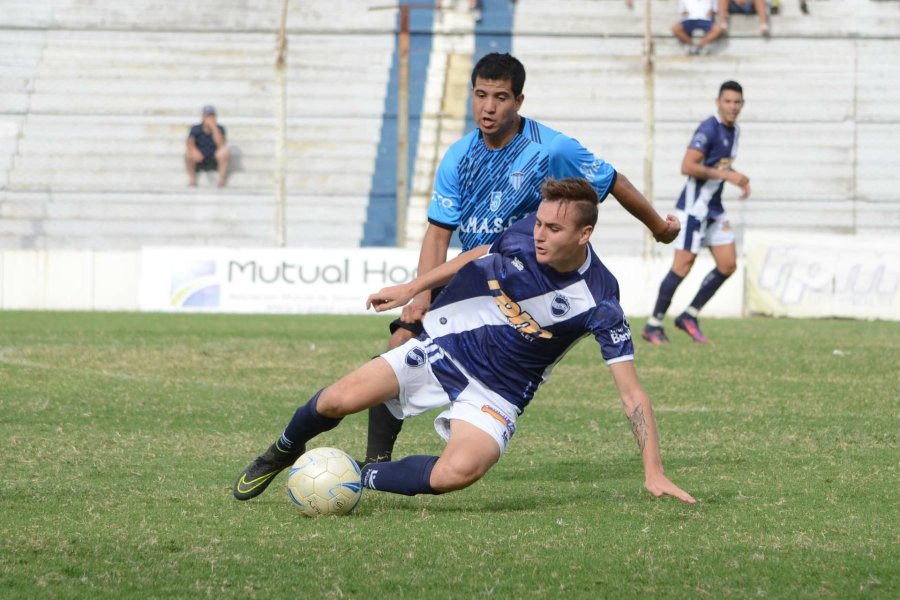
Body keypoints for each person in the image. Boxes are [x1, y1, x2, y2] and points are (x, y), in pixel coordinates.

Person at [233, 178, 696, 505]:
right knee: (336, 401)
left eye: (553, 229)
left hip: (500, 393)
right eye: (539, 223)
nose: (539, 234)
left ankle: (351, 474)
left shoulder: (600, 300)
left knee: (458, 473)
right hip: (447, 348)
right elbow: (477, 253)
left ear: (584, 234)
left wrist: (653, 470)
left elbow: (632, 394)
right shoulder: (524, 233)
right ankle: (281, 452)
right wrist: (413, 288)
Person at [364, 52, 680, 465]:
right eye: (480, 95)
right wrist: (419, 296)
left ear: (519, 101)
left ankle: (462, 442)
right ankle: (375, 462)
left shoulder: (552, 149)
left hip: (519, 283)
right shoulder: (459, 155)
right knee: (399, 341)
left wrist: (658, 227)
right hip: (468, 276)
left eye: (500, 97)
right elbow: (439, 231)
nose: (489, 107)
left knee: (462, 366)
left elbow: (611, 179)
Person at [642, 81, 750, 346]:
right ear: (718, 102)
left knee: (728, 265)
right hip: (694, 209)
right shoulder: (708, 129)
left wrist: (735, 176)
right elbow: (688, 166)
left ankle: (689, 316)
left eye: (737, 102)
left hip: (715, 208)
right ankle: (653, 325)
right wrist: (727, 175)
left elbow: (718, 165)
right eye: (728, 101)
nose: (732, 107)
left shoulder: (734, 131)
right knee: (682, 266)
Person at [185, 105, 229, 187]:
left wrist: (214, 128)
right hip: (199, 158)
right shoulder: (196, 128)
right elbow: (189, 142)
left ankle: (221, 180)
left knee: (224, 151)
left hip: (214, 158)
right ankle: (192, 179)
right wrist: (194, 151)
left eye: (212, 115)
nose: (209, 118)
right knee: (188, 153)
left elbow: (221, 144)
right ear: (203, 117)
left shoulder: (220, 129)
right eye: (207, 115)